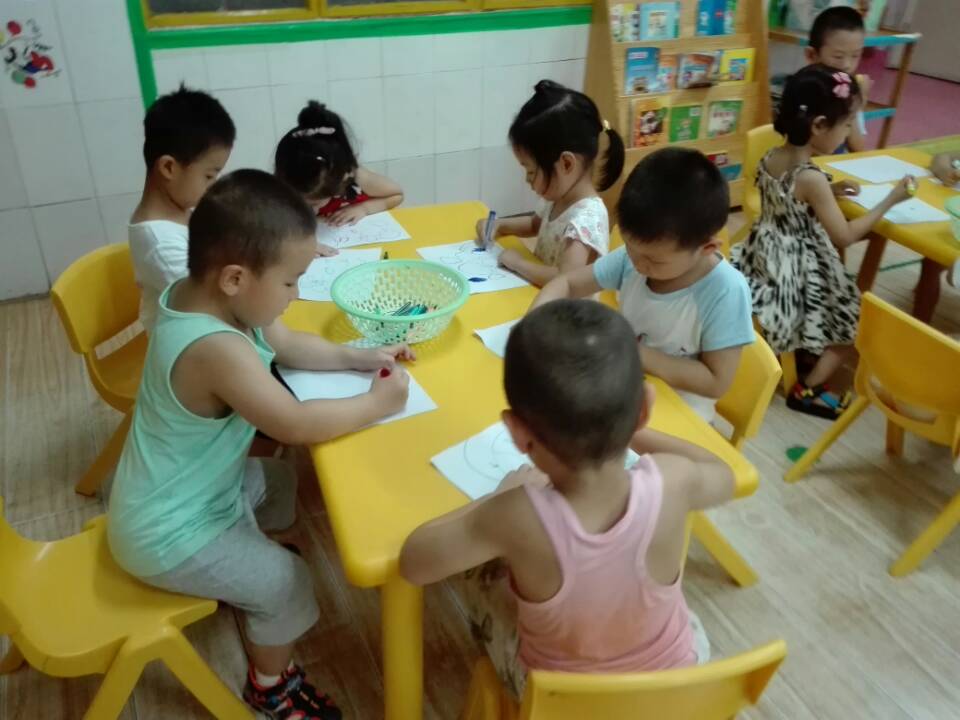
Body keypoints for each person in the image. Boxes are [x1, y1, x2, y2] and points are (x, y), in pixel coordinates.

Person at [108, 170, 415, 719]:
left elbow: (289, 344)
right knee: (288, 582)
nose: (295, 296)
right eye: (291, 282)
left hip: (187, 490)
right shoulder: (215, 348)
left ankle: (242, 571)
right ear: (235, 278)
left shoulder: (205, 296)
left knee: (281, 483)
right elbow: (293, 424)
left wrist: (359, 356)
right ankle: (271, 688)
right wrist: (377, 404)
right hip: (167, 532)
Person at [400, 299, 733, 698]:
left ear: (517, 433)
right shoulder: (675, 479)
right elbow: (723, 475)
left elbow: (413, 562)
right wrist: (628, 428)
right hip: (675, 685)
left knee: (479, 575)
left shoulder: (514, 514)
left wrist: (498, 494)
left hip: (562, 702)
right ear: (644, 410)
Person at [732, 65, 913, 419]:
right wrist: (890, 200)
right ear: (818, 125)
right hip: (795, 272)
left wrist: (829, 191)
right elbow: (845, 235)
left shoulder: (772, 156)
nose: (848, 133)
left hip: (764, 259)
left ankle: (803, 352)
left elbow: (789, 195)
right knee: (855, 326)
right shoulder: (811, 178)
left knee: (838, 306)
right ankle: (808, 389)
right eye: (847, 125)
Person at [530, 147, 754, 423]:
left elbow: (716, 381)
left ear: (706, 248)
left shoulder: (725, 291)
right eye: (629, 247)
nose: (636, 263)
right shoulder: (633, 259)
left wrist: (631, 351)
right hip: (621, 391)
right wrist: (533, 321)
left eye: (653, 260)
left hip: (680, 416)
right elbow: (567, 282)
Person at [474, 80, 625, 287]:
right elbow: (535, 225)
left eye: (531, 171)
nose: (527, 179)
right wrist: (499, 225)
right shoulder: (559, 195)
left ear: (566, 163)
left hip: (566, 305)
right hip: (538, 294)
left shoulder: (587, 218)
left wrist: (518, 264)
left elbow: (565, 279)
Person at [129, 85, 235, 332]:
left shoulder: (183, 210)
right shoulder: (161, 244)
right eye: (209, 175)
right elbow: (218, 307)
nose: (214, 184)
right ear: (169, 168)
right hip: (189, 344)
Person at [274, 100, 403, 248]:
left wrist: (364, 209)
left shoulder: (356, 177)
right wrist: (298, 245)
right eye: (300, 201)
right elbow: (265, 230)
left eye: (315, 204)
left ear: (342, 178)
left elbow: (396, 195)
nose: (312, 211)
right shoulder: (278, 191)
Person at [805, 6, 869, 153]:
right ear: (812, 55)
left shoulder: (849, 90)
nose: (847, 65)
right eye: (838, 57)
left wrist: (856, 105)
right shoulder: (802, 90)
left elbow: (858, 148)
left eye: (855, 56)